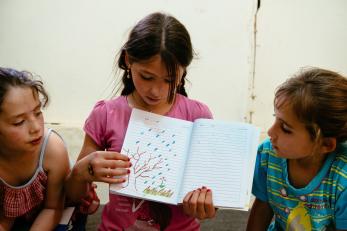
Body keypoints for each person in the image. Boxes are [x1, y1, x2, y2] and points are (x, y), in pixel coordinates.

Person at [65, 12, 216, 230]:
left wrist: (207, 204)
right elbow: (71, 195)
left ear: (183, 72)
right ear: (128, 60)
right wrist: (84, 170)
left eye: (169, 80)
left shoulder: (197, 116)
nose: (156, 91)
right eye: (146, 77)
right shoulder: (106, 114)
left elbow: (212, 196)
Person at [246, 68, 347, 231]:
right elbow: (262, 206)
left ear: (325, 145)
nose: (271, 132)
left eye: (285, 128)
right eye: (275, 119)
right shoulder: (268, 154)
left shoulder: (342, 179)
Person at [0, 67, 70, 230]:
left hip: (50, 217)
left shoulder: (52, 149)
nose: (36, 128)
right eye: (19, 122)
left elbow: (53, 208)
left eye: (38, 113)